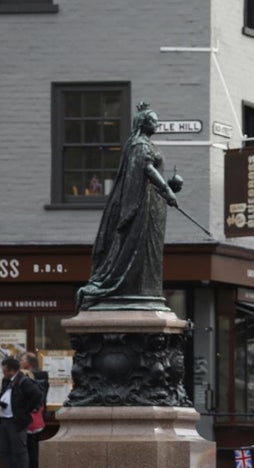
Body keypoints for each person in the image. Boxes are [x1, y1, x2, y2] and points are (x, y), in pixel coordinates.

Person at [76, 101, 182, 312]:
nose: (157, 125)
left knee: (148, 252)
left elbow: (150, 174)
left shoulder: (144, 145)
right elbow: (147, 169)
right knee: (137, 248)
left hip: (153, 206)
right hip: (142, 207)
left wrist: (170, 186)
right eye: (154, 121)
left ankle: (145, 290)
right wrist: (166, 190)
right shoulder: (139, 145)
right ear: (143, 123)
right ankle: (124, 287)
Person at [0, 357, 42, 468]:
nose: (3, 372)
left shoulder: (24, 381)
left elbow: (37, 395)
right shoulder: (6, 381)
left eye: (4, 370)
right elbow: (4, 394)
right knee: (4, 448)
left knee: (19, 449)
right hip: (4, 419)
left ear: (11, 370)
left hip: (17, 420)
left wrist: (25, 409)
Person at [21, 352, 49, 468]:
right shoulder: (41, 376)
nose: (20, 362)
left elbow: (37, 396)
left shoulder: (34, 377)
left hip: (33, 415)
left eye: (22, 360)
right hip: (38, 415)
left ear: (29, 363)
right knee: (33, 446)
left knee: (30, 446)